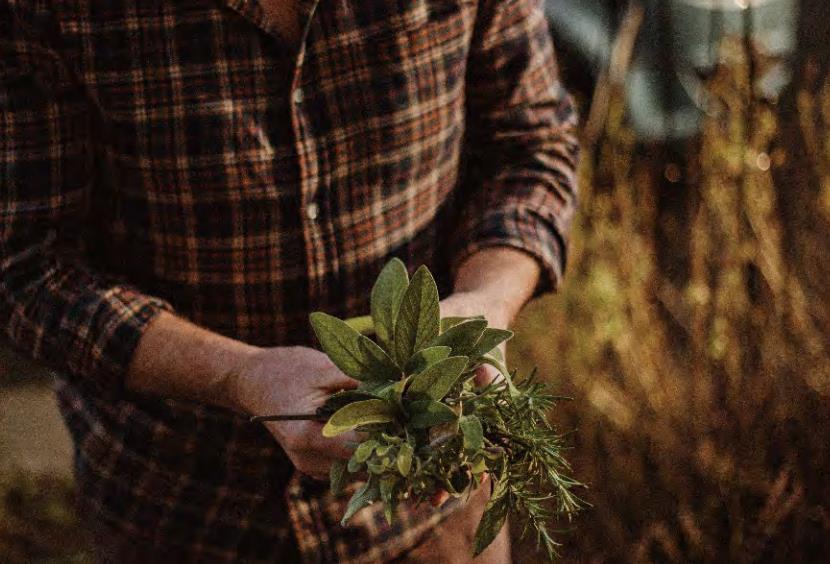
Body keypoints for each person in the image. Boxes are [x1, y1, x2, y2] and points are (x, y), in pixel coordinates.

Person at [0, 0, 578, 561]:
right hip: (184, 507)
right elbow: (26, 265)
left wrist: (486, 301)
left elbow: (529, 145)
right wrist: (240, 375)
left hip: (430, 505)